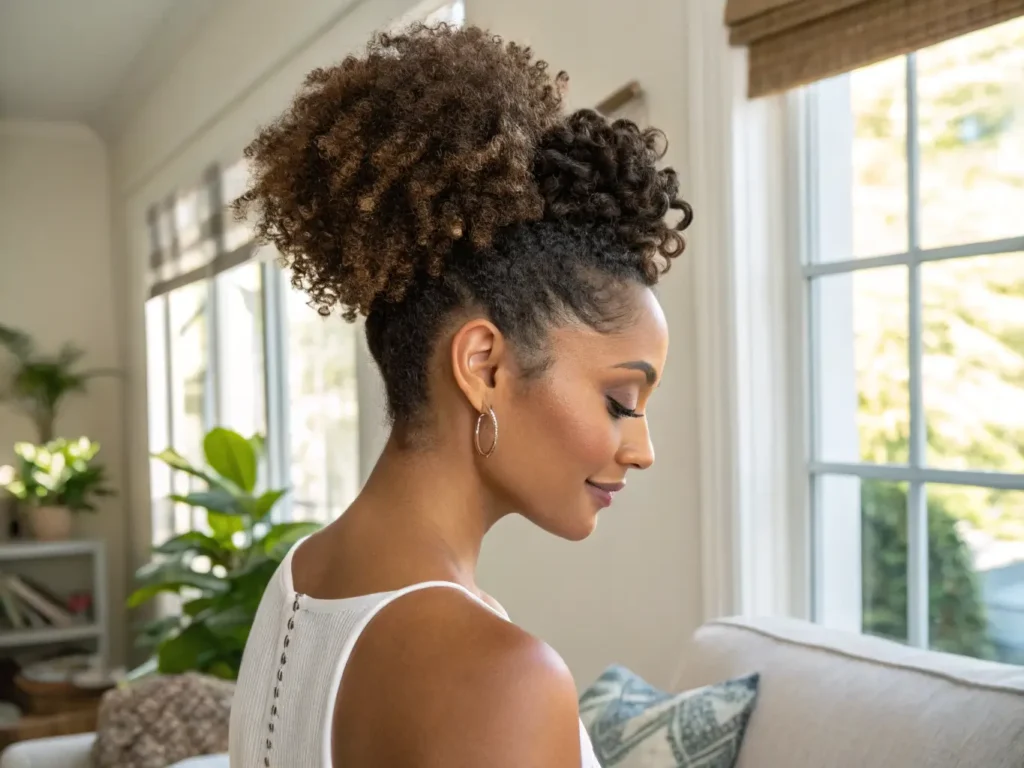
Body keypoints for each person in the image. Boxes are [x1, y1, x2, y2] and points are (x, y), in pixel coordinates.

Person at [227, 21, 691, 768]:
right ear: (483, 365)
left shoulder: (300, 580)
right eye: (619, 399)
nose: (642, 450)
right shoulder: (503, 677)